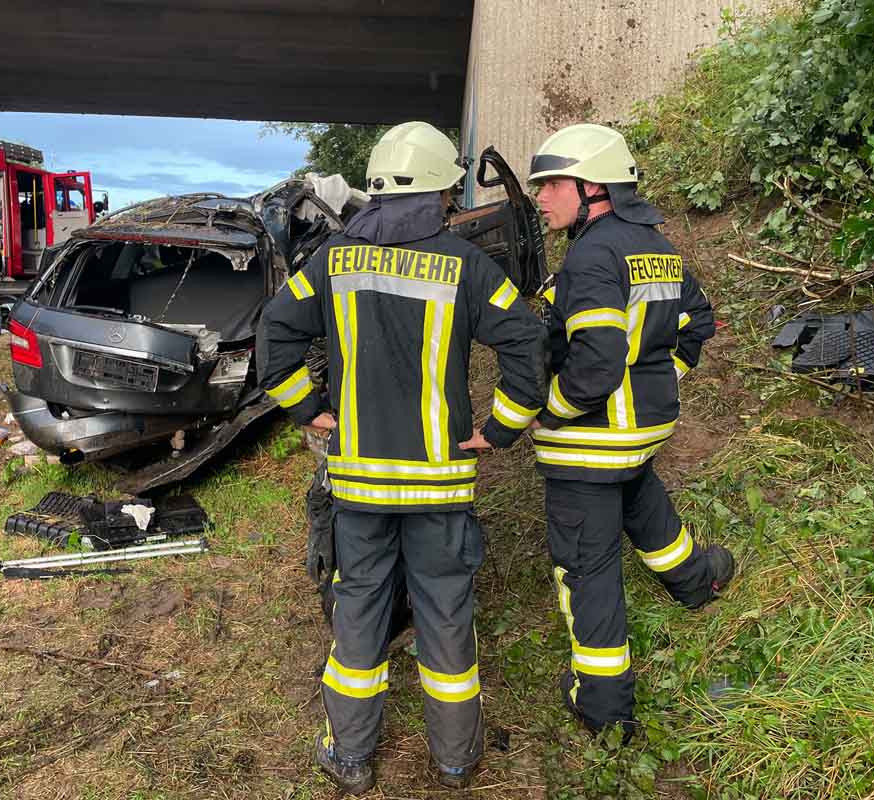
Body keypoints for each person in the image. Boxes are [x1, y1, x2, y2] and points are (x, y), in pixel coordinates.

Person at [258, 121, 546, 792]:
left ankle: (352, 757)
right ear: (441, 191)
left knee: (358, 609)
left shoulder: (333, 259)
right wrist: (500, 429)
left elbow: (275, 338)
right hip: (439, 484)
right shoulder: (470, 266)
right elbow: (526, 346)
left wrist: (310, 409)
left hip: (358, 484)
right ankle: (455, 759)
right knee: (446, 611)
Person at [526, 123, 735, 738]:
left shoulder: (592, 256)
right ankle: (701, 578)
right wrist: (655, 377)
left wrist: (551, 410)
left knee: (586, 570)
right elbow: (699, 321)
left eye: (553, 183)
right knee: (641, 502)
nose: (541, 198)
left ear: (594, 187)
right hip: (641, 431)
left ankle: (604, 706)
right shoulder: (656, 245)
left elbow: (593, 365)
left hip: (590, 441)